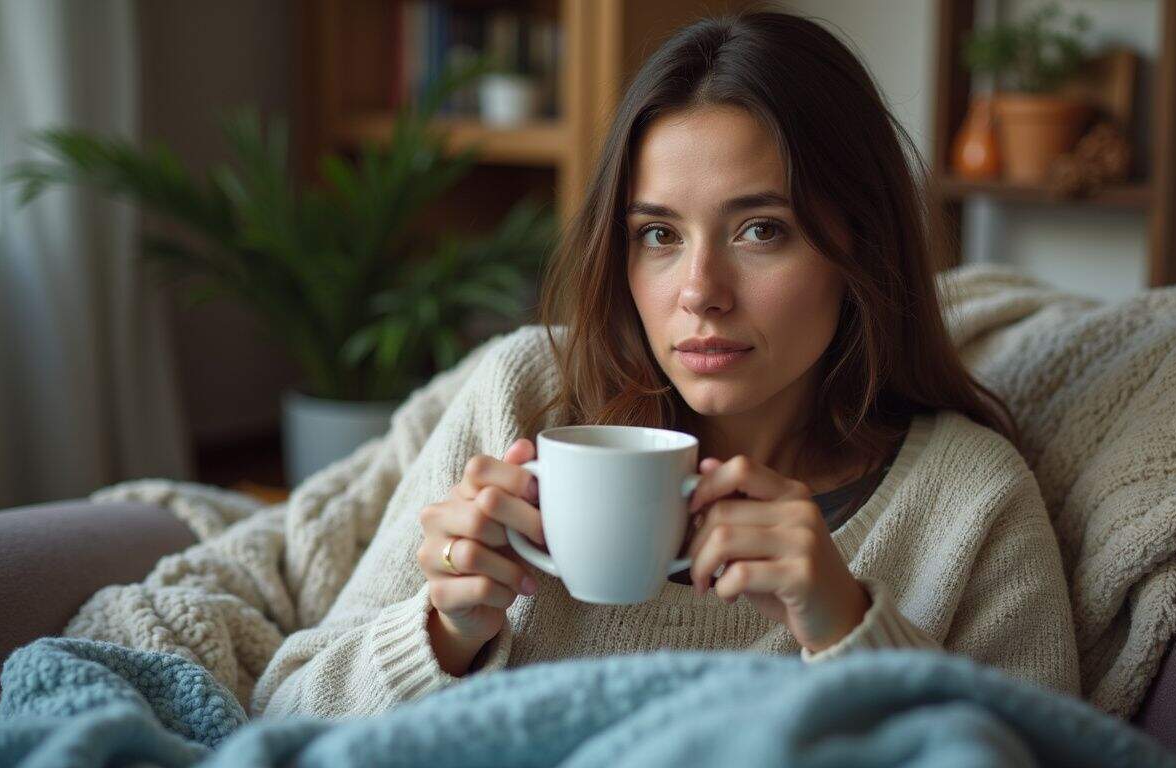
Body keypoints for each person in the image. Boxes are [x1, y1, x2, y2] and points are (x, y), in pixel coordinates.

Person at [252, 11, 1080, 718]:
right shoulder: (527, 400)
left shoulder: (970, 501)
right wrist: (443, 631)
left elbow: (1041, 752)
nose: (700, 293)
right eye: (658, 235)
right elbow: (282, 706)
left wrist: (846, 626)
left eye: (761, 229)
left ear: (858, 245)